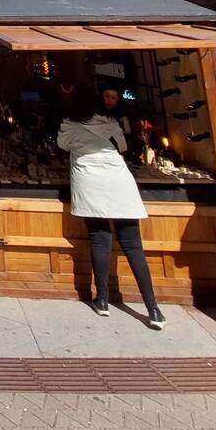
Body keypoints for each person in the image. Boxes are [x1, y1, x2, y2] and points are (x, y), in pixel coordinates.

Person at [57, 88, 164, 329]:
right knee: (133, 245)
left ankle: (103, 298)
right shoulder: (111, 123)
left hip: (89, 180)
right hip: (118, 180)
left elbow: (62, 145)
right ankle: (153, 308)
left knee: (99, 239)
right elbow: (123, 147)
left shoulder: (69, 124)